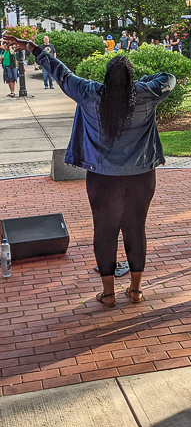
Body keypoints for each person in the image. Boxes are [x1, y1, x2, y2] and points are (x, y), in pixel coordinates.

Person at [4, 34, 175, 307]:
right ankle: (136, 291)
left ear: (106, 78)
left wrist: (33, 47)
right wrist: (140, 82)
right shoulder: (145, 95)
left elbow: (61, 73)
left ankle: (108, 295)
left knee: (104, 232)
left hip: (102, 179)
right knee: (136, 230)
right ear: (132, 79)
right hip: (141, 177)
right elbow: (168, 78)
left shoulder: (89, 93)